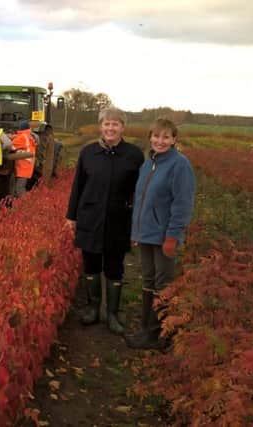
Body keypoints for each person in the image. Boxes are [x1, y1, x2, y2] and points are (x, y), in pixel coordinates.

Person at [66, 107, 144, 334]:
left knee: (114, 267)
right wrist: (71, 216)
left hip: (119, 219)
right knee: (90, 263)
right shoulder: (88, 152)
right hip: (90, 217)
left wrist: (137, 222)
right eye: (106, 124)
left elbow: (139, 192)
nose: (111, 128)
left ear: (122, 127)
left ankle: (112, 313)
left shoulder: (134, 155)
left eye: (115, 124)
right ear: (100, 126)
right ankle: (92, 308)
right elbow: (77, 186)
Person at [125, 118, 196, 349]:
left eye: (166, 137)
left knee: (163, 284)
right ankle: (147, 330)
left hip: (164, 237)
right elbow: (141, 200)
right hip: (146, 234)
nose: (160, 141)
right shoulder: (148, 164)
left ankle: (160, 336)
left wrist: (172, 237)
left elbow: (182, 204)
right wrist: (136, 231)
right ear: (150, 138)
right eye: (156, 136)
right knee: (147, 280)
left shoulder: (179, 165)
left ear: (174, 140)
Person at [11, 120, 37, 197]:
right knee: (19, 188)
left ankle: (25, 205)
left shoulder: (22, 137)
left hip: (23, 166)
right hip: (27, 166)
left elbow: (11, 146)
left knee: (19, 189)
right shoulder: (28, 136)